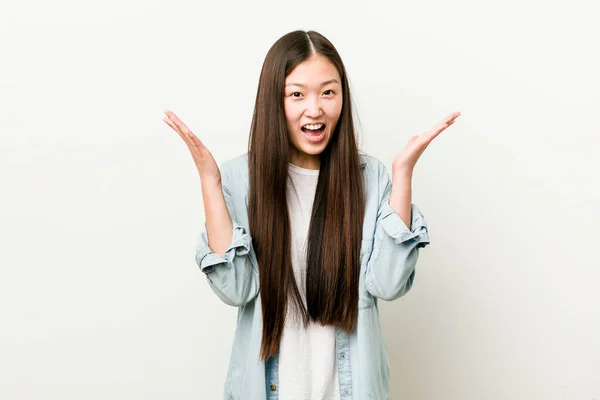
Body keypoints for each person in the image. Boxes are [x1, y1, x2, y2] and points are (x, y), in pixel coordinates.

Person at [162, 30, 460, 400]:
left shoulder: (372, 178)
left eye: (328, 92)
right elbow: (236, 289)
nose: (315, 108)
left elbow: (389, 284)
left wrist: (403, 174)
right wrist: (209, 180)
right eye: (297, 94)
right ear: (275, 100)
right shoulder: (239, 181)